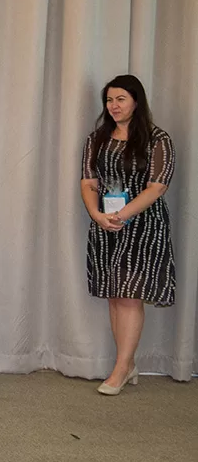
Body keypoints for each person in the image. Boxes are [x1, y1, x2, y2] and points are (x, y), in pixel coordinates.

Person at [80, 74, 175, 395]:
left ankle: (120, 370)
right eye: (109, 100)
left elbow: (157, 187)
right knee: (115, 294)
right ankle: (127, 363)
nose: (114, 105)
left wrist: (123, 215)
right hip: (106, 225)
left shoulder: (158, 139)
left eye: (121, 99)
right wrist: (97, 215)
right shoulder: (97, 138)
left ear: (136, 101)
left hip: (144, 226)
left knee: (131, 295)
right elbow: (89, 182)